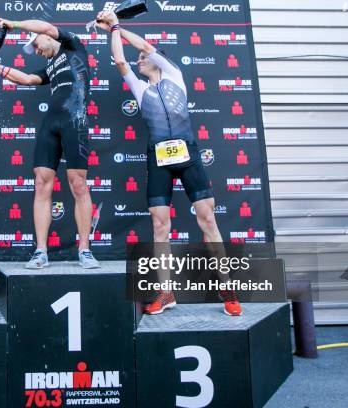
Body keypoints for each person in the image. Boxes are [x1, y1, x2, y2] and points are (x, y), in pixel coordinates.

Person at [96, 11, 241, 316]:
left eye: (143, 59)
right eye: (137, 60)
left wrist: (119, 25)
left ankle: (227, 288)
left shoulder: (175, 75)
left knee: (207, 220)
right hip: (159, 158)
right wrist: (111, 30)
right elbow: (121, 61)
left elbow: (145, 48)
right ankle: (166, 292)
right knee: (160, 226)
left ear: (157, 60)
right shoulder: (141, 89)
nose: (138, 61)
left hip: (188, 154)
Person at [0, 17, 100, 270]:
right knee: (42, 184)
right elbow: (29, 80)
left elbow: (44, 27)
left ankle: (85, 250)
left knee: (78, 184)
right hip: (50, 124)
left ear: (48, 37)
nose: (38, 51)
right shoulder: (50, 65)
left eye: (37, 45)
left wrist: (13, 24)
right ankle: (40, 252)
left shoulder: (72, 45)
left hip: (75, 122)